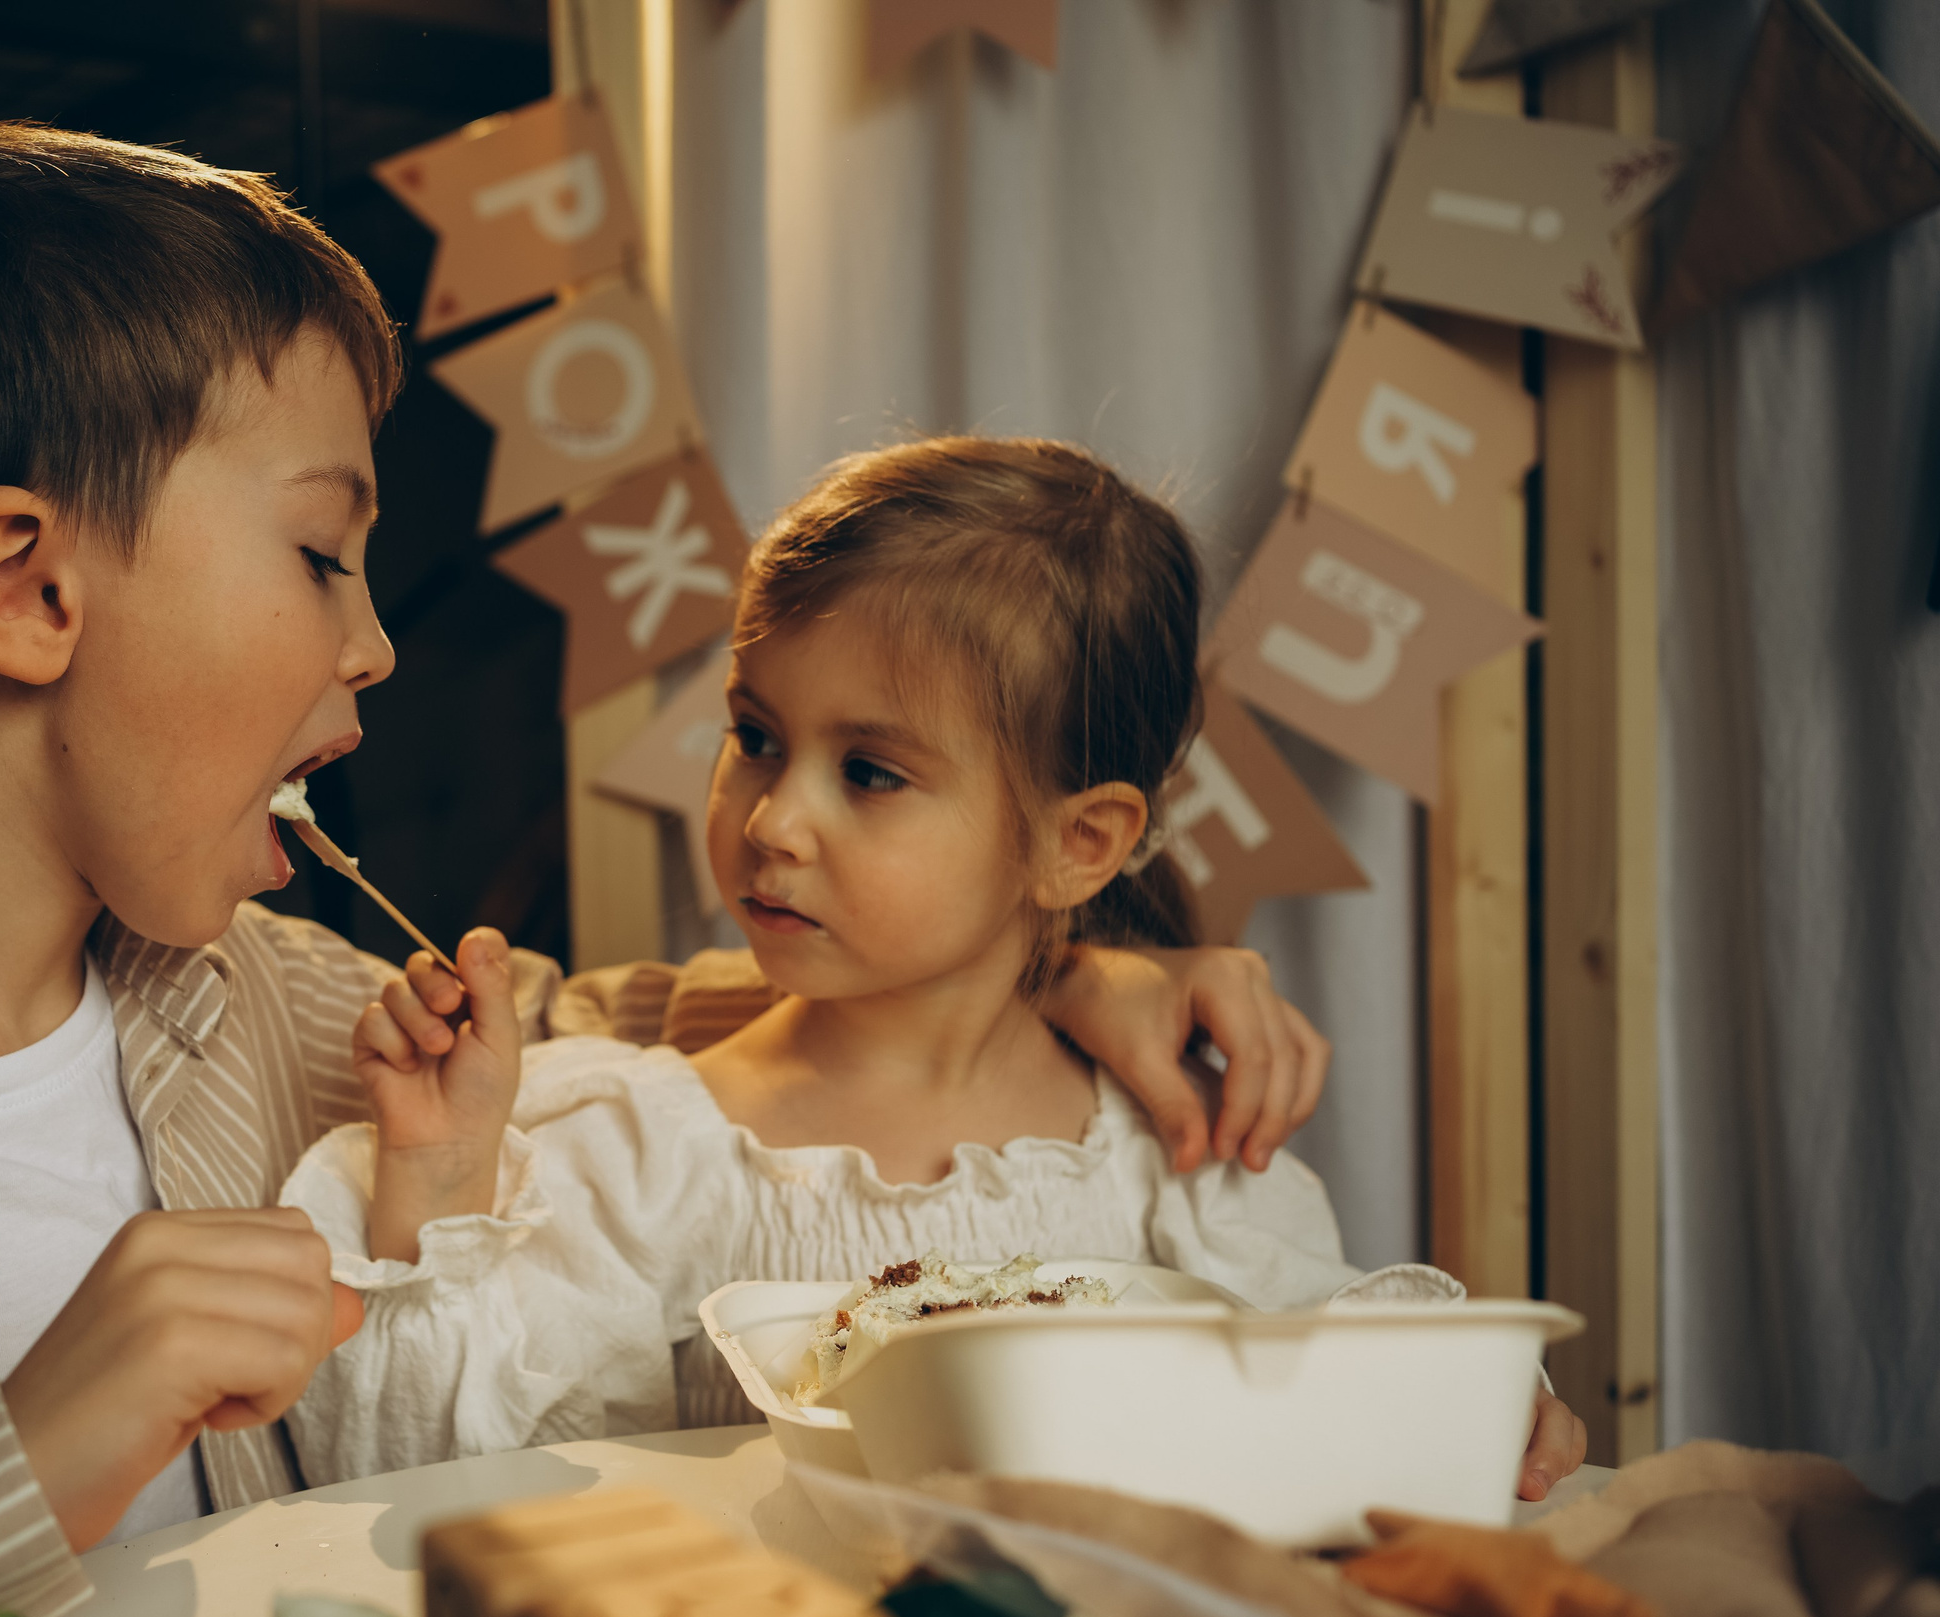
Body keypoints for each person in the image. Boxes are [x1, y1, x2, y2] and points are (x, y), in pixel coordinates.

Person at [0, 131, 1329, 1617]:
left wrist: (1083, 968)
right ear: (27, 591)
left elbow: (729, 1044)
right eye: (320, 551)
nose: (377, 642)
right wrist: (23, 1451)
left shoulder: (290, 1002)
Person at [283, 437, 1589, 1499]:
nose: (773, 820)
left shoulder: (1167, 1159)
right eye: (754, 736)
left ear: (1079, 844)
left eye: (871, 772)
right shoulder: (635, 1147)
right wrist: (442, 1183)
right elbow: (437, 1495)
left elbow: (1316, 1397)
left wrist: (1459, 1396)